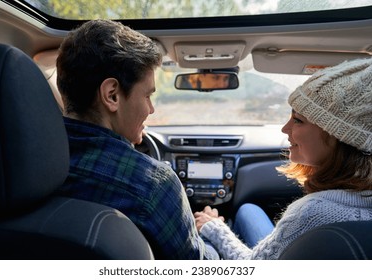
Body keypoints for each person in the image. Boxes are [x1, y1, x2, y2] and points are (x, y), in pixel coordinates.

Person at [55, 19, 218, 260]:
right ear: (112, 95)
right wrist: (210, 231)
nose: (151, 109)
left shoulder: (15, 170)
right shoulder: (154, 186)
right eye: (148, 95)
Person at [194, 57, 372, 259]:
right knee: (248, 210)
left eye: (297, 120)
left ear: (339, 135)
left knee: (233, 219)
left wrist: (214, 228)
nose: (284, 129)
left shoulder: (311, 213)